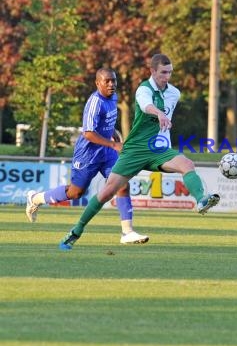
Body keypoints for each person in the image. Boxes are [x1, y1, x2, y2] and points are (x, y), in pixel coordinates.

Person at [58, 54, 220, 250]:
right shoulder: (143, 89)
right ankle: (76, 230)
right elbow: (146, 106)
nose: (166, 77)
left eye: (169, 72)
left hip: (159, 149)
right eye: (163, 73)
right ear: (152, 71)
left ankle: (201, 200)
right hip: (135, 150)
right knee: (107, 192)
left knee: (187, 164)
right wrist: (159, 113)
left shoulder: (174, 93)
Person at [25, 68, 148, 244]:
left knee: (122, 185)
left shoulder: (113, 98)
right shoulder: (95, 102)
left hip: (106, 152)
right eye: (107, 81)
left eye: (114, 80)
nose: (112, 84)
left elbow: (106, 123)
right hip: (87, 155)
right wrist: (114, 144)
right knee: (76, 193)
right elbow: (88, 133)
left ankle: (127, 232)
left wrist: (115, 136)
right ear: (98, 83)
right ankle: (35, 198)